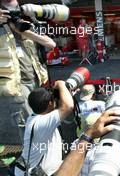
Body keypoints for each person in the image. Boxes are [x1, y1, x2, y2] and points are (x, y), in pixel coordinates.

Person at [0, 0, 56, 145]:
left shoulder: (27, 14)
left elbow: (51, 44)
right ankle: (31, 160)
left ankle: (47, 153)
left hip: (36, 79)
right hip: (16, 85)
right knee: (26, 125)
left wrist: (23, 30)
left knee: (44, 118)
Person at [14, 81, 74, 176]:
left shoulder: (35, 117)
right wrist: (61, 84)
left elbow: (60, 108)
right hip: (36, 173)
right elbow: (68, 106)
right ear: (50, 103)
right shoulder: (43, 122)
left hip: (31, 169)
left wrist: (66, 92)